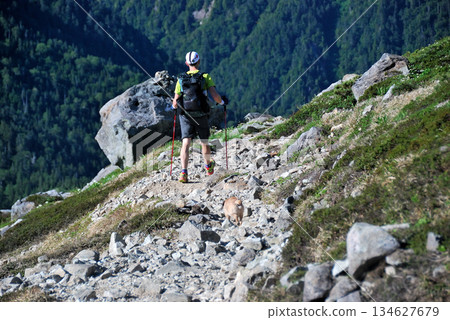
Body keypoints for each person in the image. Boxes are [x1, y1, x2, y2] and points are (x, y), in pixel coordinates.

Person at [172, 51, 228, 183]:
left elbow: (175, 101)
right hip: (201, 113)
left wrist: (175, 107)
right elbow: (215, 96)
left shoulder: (181, 79)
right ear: (199, 61)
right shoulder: (205, 77)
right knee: (204, 141)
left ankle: (184, 173)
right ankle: (208, 167)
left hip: (185, 114)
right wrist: (223, 102)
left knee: (186, 142)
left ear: (187, 63)